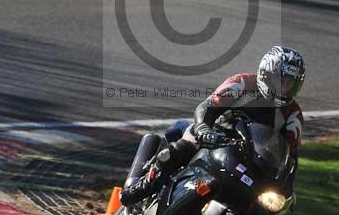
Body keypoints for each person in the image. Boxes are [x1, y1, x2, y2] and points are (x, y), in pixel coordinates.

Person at [120, 46, 306, 206]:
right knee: (181, 148)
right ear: (267, 73)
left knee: (263, 205)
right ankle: (143, 186)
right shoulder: (242, 83)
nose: (284, 87)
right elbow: (208, 106)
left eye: (290, 83)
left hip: (247, 160)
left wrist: (286, 187)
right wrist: (203, 129)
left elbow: (291, 155)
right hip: (212, 136)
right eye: (281, 80)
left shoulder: (293, 114)